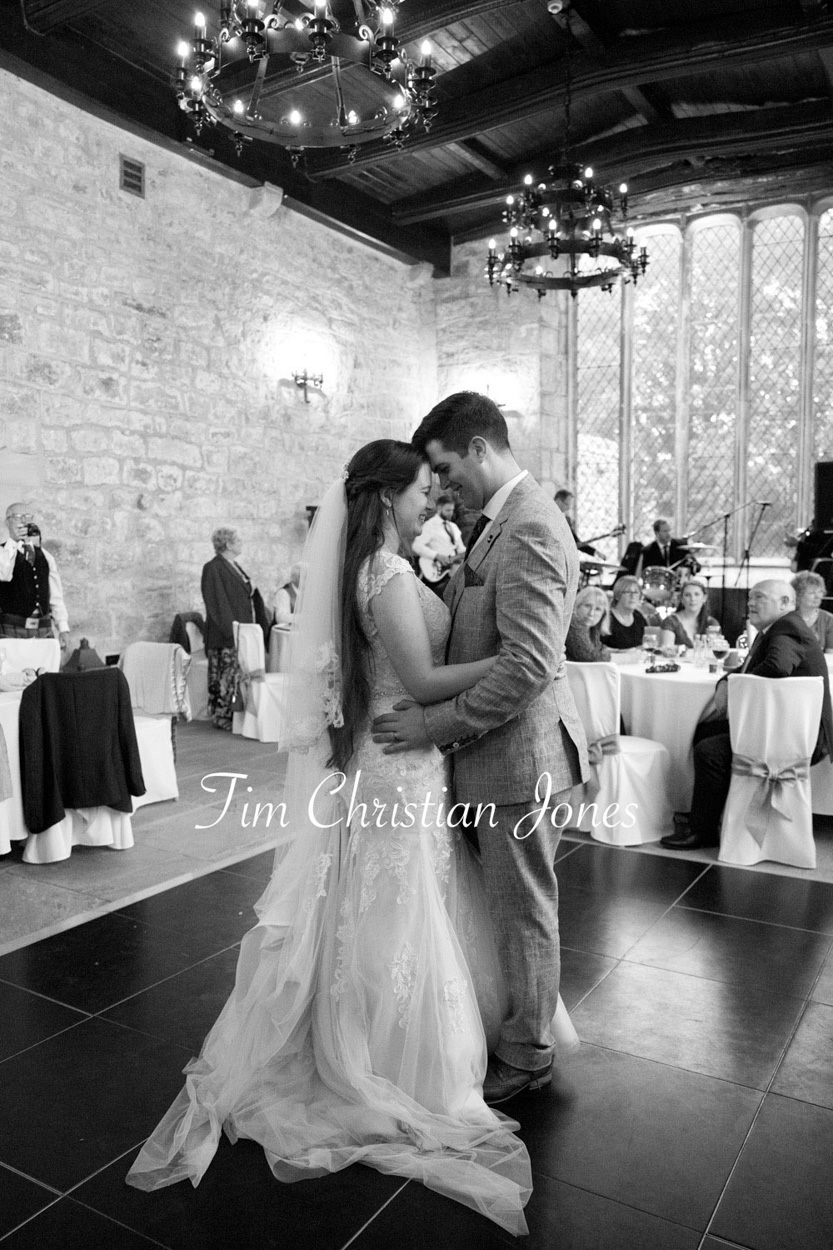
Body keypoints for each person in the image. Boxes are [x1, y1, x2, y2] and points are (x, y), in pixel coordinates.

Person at [127, 440, 578, 1236]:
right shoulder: (387, 574)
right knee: (399, 901)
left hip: (393, 755)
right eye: (417, 490)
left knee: (404, 899)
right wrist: (517, 661)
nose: (429, 500)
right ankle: (388, 1047)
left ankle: (387, 1023)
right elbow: (428, 678)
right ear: (384, 497)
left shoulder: (367, 570)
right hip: (400, 762)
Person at [371, 392, 588, 1106]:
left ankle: (527, 1052)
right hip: (495, 755)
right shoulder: (498, 522)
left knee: (523, 907)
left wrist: (432, 727)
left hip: (518, 759)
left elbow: (526, 666)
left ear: (477, 449)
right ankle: (510, 1027)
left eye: (443, 467)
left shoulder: (526, 525)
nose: (439, 487)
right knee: (503, 905)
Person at [660, 579, 833, 850]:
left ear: (786, 603)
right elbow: (745, 666)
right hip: (780, 728)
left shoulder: (787, 630)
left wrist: (733, 684)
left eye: (760, 598)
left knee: (709, 750)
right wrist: (726, 682)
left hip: (796, 739)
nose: (750, 603)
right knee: (705, 730)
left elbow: (777, 667)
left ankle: (703, 830)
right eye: (750, 597)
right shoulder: (774, 629)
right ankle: (709, 815)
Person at [201, 527, 263, 731]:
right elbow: (217, 601)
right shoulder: (213, 567)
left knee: (234, 673)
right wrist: (232, 631)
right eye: (237, 540)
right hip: (224, 633)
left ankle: (232, 712)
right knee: (223, 674)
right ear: (227, 544)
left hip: (238, 630)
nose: (241, 543)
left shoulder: (233, 565)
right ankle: (221, 714)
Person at [0, 504, 70, 651]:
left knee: (45, 673)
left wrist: (63, 627)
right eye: (17, 517)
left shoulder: (45, 556)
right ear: (7, 522)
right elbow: (4, 575)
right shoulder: (3, 552)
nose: (23, 521)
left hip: (43, 628)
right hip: (11, 628)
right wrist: (13, 541)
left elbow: (55, 595)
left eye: (27, 517)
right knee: (13, 673)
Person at [411, 492, 465, 597]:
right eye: (448, 510)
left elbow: (462, 550)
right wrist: (437, 556)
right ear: (439, 508)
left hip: (452, 571)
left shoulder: (454, 527)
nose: (451, 513)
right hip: (435, 570)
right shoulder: (430, 525)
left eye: (452, 510)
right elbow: (416, 546)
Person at [659, 578, 719, 650]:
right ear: (682, 599)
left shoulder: (711, 623)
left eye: (697, 594)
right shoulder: (670, 622)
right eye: (687, 595)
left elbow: (715, 650)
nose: (692, 599)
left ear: (704, 598)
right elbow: (667, 651)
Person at [601, 575, 650, 650]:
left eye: (636, 592)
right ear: (617, 596)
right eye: (627, 592)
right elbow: (599, 648)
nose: (632, 596)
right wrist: (628, 652)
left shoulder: (639, 617)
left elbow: (646, 644)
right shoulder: (607, 617)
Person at [566, 586, 611, 662]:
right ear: (577, 606)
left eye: (597, 609)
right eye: (587, 606)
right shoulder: (573, 625)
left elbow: (598, 650)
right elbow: (591, 658)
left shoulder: (593, 628)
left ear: (603, 614)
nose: (591, 613)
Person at [791, 570, 833, 652]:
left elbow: (830, 654)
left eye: (820, 592)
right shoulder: (786, 618)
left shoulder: (829, 620)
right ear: (798, 595)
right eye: (812, 593)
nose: (818, 596)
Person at [554, 488, 598, 555]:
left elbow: (575, 541)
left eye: (569, 506)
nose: (568, 508)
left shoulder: (566, 519)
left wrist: (594, 551)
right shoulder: (546, 515)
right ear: (559, 501)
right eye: (567, 504)